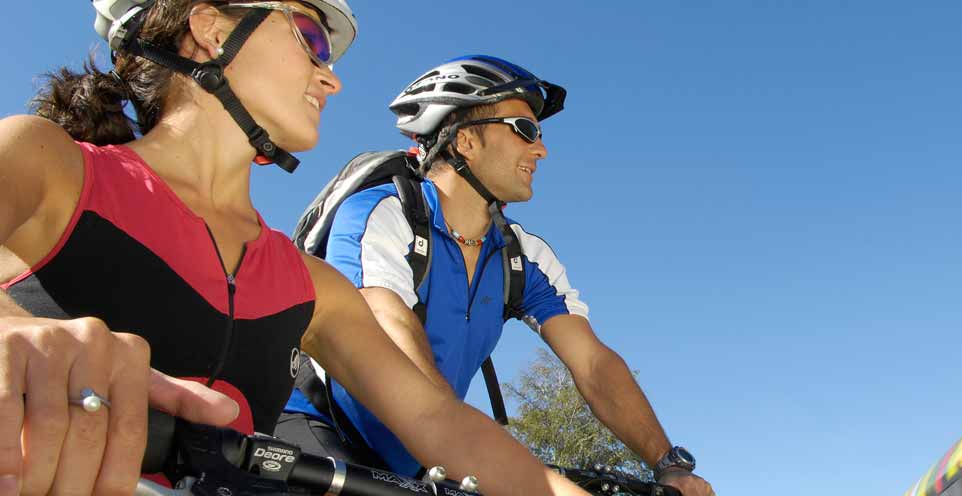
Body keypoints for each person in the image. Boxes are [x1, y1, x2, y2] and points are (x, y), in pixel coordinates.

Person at [0, 3, 590, 494]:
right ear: (210, 29)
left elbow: (438, 421)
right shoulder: (50, 163)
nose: (330, 78)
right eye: (310, 38)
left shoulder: (311, 285)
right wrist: (14, 331)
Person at [278, 55, 715, 496]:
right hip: (321, 430)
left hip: (428, 455)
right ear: (466, 141)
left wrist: (667, 464)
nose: (541, 149)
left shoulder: (522, 257)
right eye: (525, 131)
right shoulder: (383, 214)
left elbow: (594, 363)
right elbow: (391, 336)